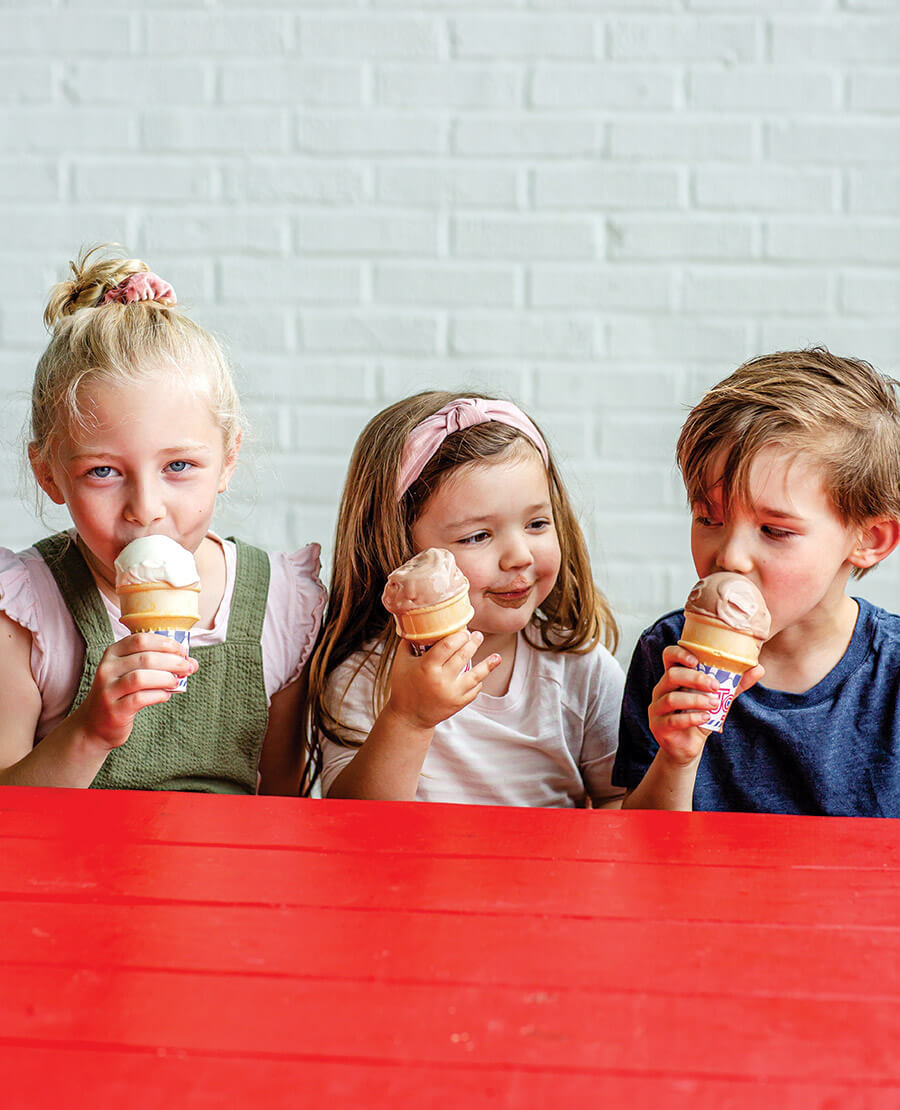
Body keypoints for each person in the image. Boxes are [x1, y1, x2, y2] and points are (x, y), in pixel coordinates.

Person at [0, 246, 325, 794]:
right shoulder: (27, 611)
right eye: (103, 471)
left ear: (228, 459)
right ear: (49, 474)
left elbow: (283, 807)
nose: (145, 507)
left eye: (179, 465)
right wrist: (91, 731)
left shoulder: (279, 606)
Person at [614, 347, 900, 815]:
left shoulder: (892, 673)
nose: (729, 555)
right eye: (709, 518)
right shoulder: (668, 651)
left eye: (775, 531)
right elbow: (643, 849)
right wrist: (678, 756)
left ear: (869, 538)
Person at [306, 391, 624, 807]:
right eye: (478, 536)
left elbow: (620, 805)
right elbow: (350, 825)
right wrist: (408, 719)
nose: (519, 556)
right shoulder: (363, 679)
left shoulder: (582, 670)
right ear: (398, 548)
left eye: (537, 523)